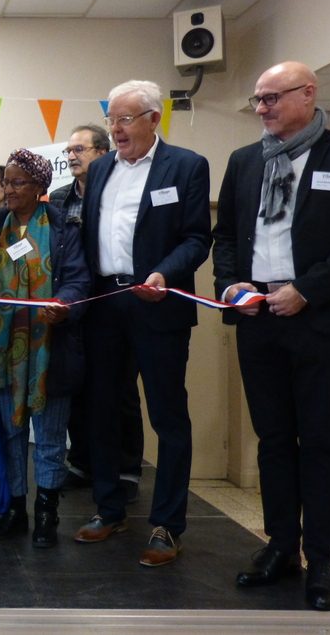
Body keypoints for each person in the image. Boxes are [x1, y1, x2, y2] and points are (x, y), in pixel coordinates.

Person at [212, 61, 330, 610]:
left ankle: (324, 561)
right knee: (274, 440)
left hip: (318, 318)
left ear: (308, 94)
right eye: (257, 101)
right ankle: (281, 545)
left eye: (271, 99)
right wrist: (230, 283)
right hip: (258, 316)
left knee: (320, 443)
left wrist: (307, 289)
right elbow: (228, 235)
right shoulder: (244, 161)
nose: (261, 110)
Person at [74, 81, 210, 568]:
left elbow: (197, 238)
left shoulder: (187, 166)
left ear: (154, 119)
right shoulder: (102, 168)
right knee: (102, 409)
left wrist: (164, 273)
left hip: (158, 303)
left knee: (168, 416)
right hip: (106, 302)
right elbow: (89, 237)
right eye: (112, 119)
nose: (115, 129)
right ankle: (109, 508)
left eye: (126, 119)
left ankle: (167, 526)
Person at [0, 148, 89, 547]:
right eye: (6, 181)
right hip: (2, 351)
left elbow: (78, 279)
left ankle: (47, 514)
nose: (9, 189)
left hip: (50, 351)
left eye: (18, 182)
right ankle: (16, 509)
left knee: (51, 439)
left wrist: (64, 305)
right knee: (10, 435)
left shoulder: (64, 227)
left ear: (40, 187)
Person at [50, 125, 143, 503]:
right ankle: (82, 462)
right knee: (76, 383)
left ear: (103, 153)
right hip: (73, 302)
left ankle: (126, 468)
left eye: (80, 149)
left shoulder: (112, 193)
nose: (71, 156)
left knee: (121, 386)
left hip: (110, 298)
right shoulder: (57, 198)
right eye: (68, 150)